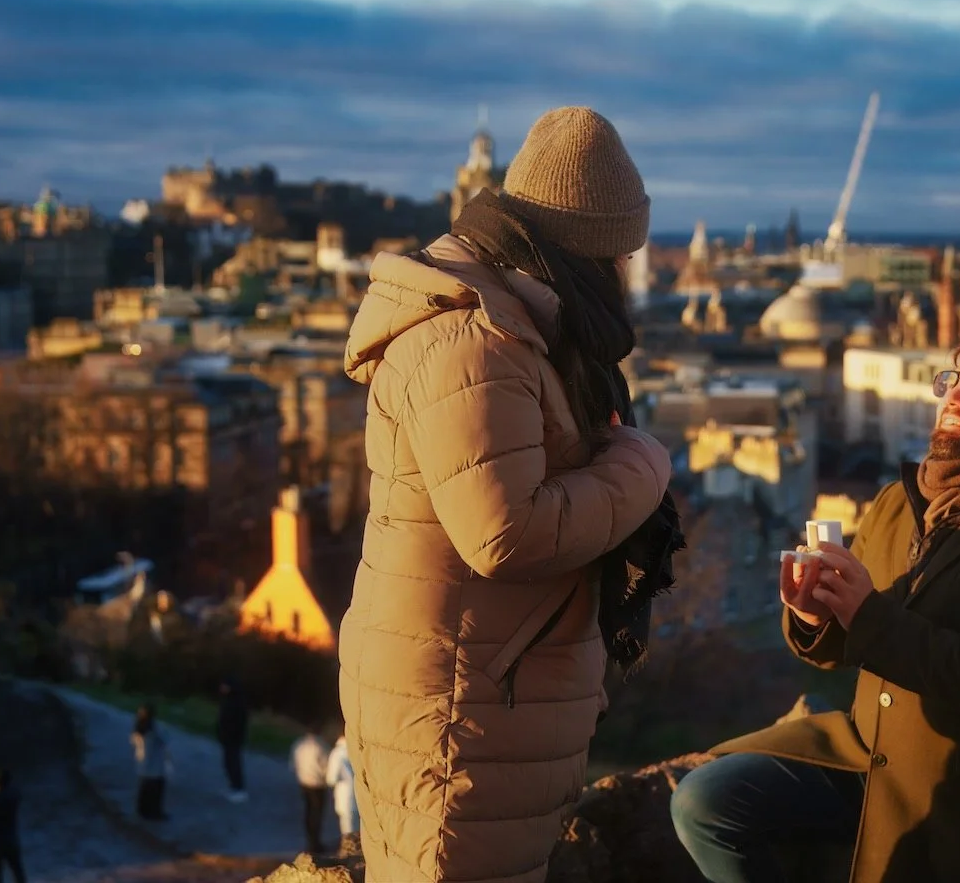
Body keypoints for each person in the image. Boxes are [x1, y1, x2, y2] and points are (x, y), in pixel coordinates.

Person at [339, 106, 679, 882]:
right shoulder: (473, 338)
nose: (624, 276)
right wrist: (641, 463)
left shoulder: (515, 323)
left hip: (489, 687)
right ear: (586, 249)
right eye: (618, 256)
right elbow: (504, 532)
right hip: (462, 708)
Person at [672, 336, 960, 883]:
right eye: (952, 380)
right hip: (865, 752)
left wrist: (868, 616)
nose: (953, 396)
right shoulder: (896, 501)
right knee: (705, 802)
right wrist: (815, 616)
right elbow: (846, 640)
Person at [290, 727, 330, 854]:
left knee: (308, 811)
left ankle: (310, 840)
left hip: (304, 782)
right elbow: (326, 766)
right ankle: (315, 843)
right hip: (318, 784)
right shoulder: (321, 746)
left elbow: (293, 764)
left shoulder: (299, 744)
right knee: (317, 813)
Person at [130, 704, 170, 821]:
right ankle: (155, 813)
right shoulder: (155, 728)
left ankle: (143, 811)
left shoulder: (137, 728)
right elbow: (166, 739)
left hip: (143, 764)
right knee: (156, 790)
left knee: (144, 789)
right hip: (155, 765)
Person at [216, 676, 249, 803]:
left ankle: (239, 789)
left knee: (234, 763)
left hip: (233, 738)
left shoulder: (238, 702)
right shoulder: (226, 700)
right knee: (227, 763)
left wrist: (233, 734)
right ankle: (233, 786)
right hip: (226, 737)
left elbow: (239, 722)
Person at [326, 734, 360, 840]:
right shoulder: (357, 750)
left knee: (347, 829)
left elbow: (332, 778)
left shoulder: (337, 753)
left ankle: (350, 851)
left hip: (344, 795)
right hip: (359, 794)